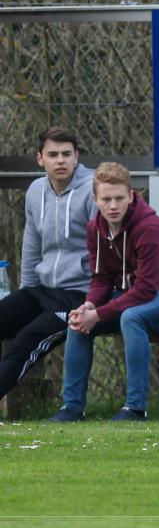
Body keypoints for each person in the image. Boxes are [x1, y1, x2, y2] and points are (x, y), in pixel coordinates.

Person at [50, 162, 159, 421]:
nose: (113, 205)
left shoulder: (149, 228)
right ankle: (72, 407)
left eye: (119, 198)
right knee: (76, 320)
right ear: (95, 199)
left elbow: (145, 290)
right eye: (106, 199)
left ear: (131, 196)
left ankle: (135, 408)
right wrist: (89, 306)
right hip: (138, 295)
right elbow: (101, 279)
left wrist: (98, 314)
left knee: (131, 317)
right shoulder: (95, 229)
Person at [0, 127, 94, 404]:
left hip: (78, 295)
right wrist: (25, 294)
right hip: (40, 289)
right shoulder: (35, 191)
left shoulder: (92, 191)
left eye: (67, 154)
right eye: (53, 154)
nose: (60, 160)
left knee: (25, 342)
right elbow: (31, 244)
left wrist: (94, 300)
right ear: (40, 158)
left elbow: (104, 250)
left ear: (76, 156)